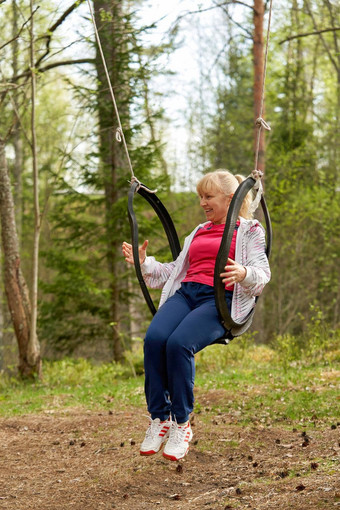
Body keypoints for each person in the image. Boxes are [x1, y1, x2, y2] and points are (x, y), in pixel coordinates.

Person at [122, 170, 271, 462]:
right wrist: (144, 263)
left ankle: (181, 423)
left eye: (208, 196)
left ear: (230, 198)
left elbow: (262, 275)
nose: (202, 202)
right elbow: (172, 272)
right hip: (186, 294)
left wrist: (243, 273)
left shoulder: (250, 230)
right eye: (200, 196)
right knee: (154, 339)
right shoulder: (199, 231)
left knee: (179, 344)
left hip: (219, 299)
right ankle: (159, 418)